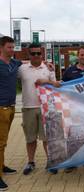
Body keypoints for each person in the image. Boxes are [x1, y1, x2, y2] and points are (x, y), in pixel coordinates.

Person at [18, 43, 59, 175]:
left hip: (45, 108)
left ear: (41, 54)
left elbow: (56, 85)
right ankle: (31, 162)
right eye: (33, 53)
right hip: (28, 108)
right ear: (29, 55)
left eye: (38, 53)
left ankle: (50, 161)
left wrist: (47, 81)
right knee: (30, 138)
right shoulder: (22, 69)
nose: (36, 56)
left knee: (46, 137)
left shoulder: (48, 69)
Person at [62, 46, 84, 173]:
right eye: (81, 55)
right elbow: (62, 86)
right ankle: (72, 162)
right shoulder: (69, 71)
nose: (83, 57)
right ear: (78, 56)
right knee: (73, 135)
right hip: (74, 108)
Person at [0, 36, 20, 191]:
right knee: (0, 143)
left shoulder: (14, 63)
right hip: (0, 108)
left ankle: (2, 165)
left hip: (11, 107)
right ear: (1, 47)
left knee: (4, 141)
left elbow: (27, 64)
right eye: (9, 47)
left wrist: (46, 64)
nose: (12, 50)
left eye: (13, 47)